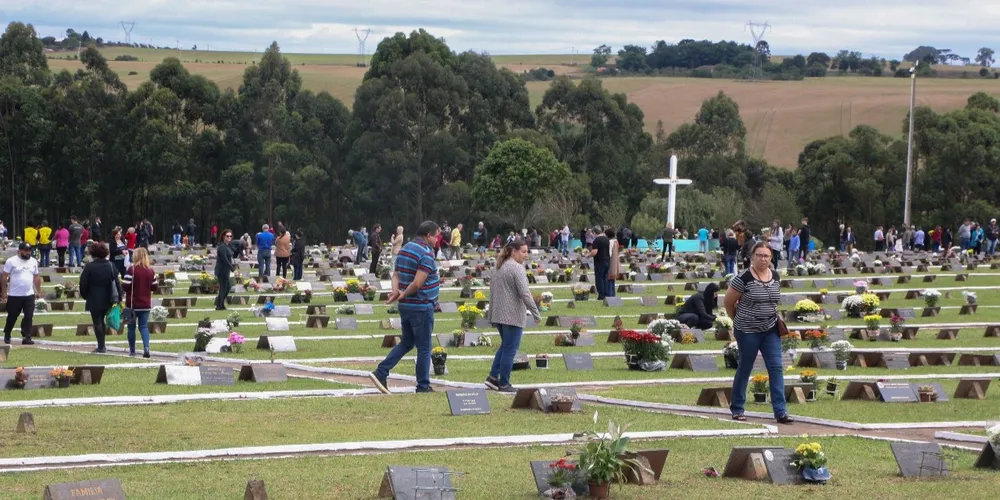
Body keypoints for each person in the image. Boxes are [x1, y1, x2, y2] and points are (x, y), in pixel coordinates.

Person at [723, 242, 793, 424]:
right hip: (747, 331)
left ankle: (781, 411)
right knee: (745, 367)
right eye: (759, 255)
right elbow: (728, 303)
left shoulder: (775, 276)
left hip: (770, 329)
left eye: (766, 256)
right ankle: (737, 408)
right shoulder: (743, 278)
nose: (763, 259)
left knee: (776, 367)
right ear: (752, 257)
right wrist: (737, 320)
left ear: (771, 258)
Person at [369, 221, 441, 394]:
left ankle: (381, 372)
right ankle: (423, 385)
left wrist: (396, 291)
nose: (437, 240)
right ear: (428, 235)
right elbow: (417, 283)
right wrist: (402, 293)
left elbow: (396, 275)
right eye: (436, 236)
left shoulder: (406, 248)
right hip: (420, 306)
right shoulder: (426, 253)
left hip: (406, 306)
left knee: (408, 342)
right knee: (424, 347)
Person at [484, 239, 541, 392]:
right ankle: (504, 383)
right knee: (510, 350)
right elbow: (524, 293)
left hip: (498, 314)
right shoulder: (517, 268)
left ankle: (492, 377)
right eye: (523, 251)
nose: (526, 255)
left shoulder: (498, 266)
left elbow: (492, 292)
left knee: (505, 346)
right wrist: (536, 312)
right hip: (512, 315)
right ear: (514, 251)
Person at [79, 242, 121, 353]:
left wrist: (85, 295)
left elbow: (83, 283)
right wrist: (119, 297)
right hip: (109, 297)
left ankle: (101, 345)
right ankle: (102, 345)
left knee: (97, 322)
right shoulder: (111, 265)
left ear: (93, 253)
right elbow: (117, 283)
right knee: (106, 319)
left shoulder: (89, 267)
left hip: (94, 298)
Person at [1, 242, 41, 345]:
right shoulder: (11, 261)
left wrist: (38, 291)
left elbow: (36, 277)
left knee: (29, 316)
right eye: (25, 251)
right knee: (12, 316)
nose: (28, 253)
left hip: (29, 294)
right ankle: (7, 332)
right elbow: (4, 277)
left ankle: (27, 336)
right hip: (15, 295)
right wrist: (4, 292)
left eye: (29, 251)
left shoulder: (33, 262)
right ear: (20, 251)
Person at [123, 247, 157, 358]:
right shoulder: (151, 271)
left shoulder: (131, 270)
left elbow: (125, 286)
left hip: (132, 304)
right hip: (145, 304)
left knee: (131, 328)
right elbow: (154, 287)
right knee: (143, 327)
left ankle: (132, 351)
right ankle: (146, 348)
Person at [215, 230, 237, 310]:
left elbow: (231, 255)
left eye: (230, 236)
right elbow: (224, 259)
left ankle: (220, 304)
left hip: (226, 270)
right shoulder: (221, 246)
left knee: (227, 287)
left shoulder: (228, 246)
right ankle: (219, 305)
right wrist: (233, 269)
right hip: (221, 270)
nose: (229, 237)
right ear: (223, 236)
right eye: (227, 236)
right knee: (224, 287)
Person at [589, 227, 612, 301]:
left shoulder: (596, 240)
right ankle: (606, 294)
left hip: (599, 261)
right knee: (605, 278)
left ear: (595, 233)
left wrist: (588, 255)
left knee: (599, 279)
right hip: (607, 260)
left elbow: (594, 252)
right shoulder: (607, 239)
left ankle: (601, 295)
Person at [605, 228, 619, 298]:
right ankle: (613, 294)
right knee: (613, 279)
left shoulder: (610, 242)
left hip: (611, 261)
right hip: (616, 261)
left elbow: (609, 253)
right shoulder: (616, 241)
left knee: (609, 278)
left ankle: (609, 294)